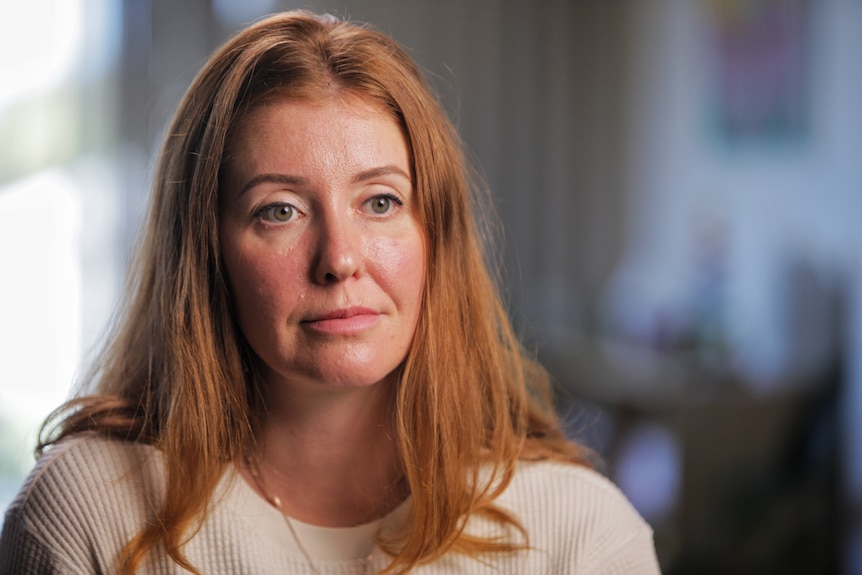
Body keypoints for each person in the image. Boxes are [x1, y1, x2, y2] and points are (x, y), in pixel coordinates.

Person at [0, 10, 660, 575]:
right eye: (279, 210)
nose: (340, 258)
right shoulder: (88, 513)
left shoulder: (583, 536)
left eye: (380, 200)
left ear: (436, 236)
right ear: (206, 250)